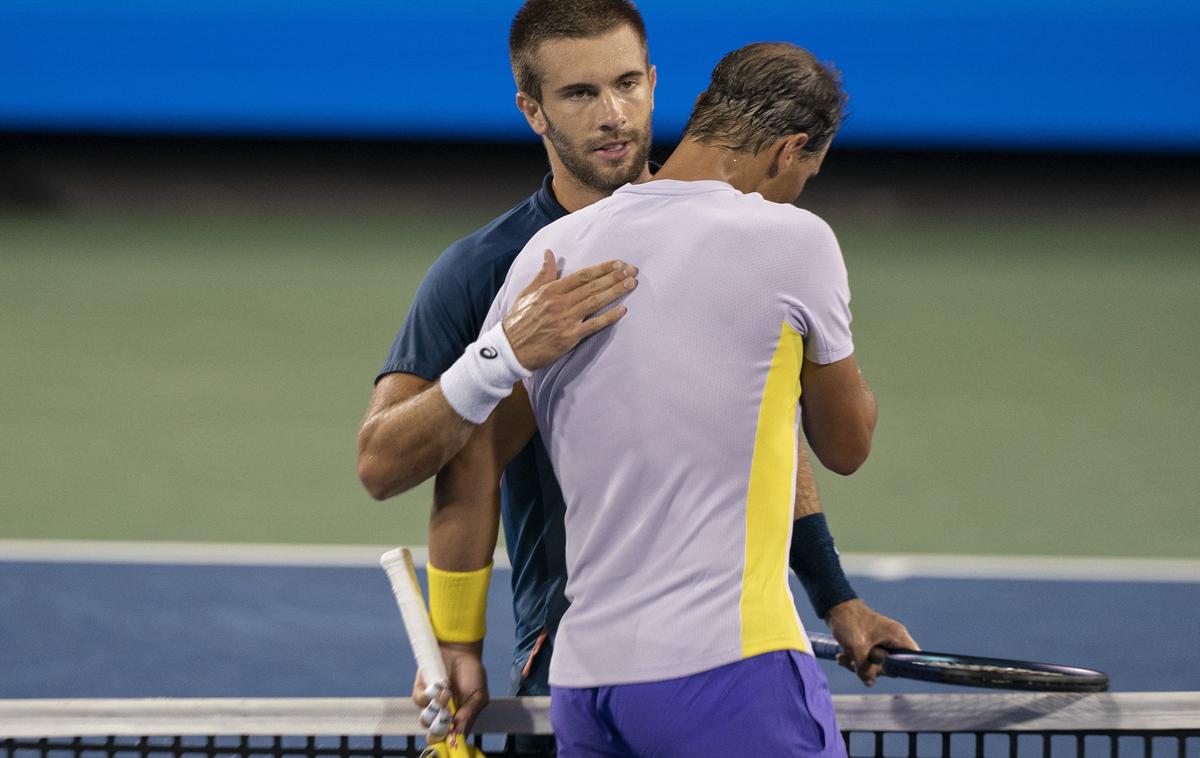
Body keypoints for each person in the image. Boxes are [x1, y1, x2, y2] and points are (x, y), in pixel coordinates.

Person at [357, 0, 913, 740]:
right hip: (571, 648)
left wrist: (834, 595)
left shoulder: (740, 234)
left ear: (655, 82)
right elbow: (409, 461)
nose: (613, 114)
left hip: (625, 678)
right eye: (580, 94)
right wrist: (456, 640)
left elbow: (754, 423)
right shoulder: (490, 268)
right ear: (534, 110)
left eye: (627, 84)